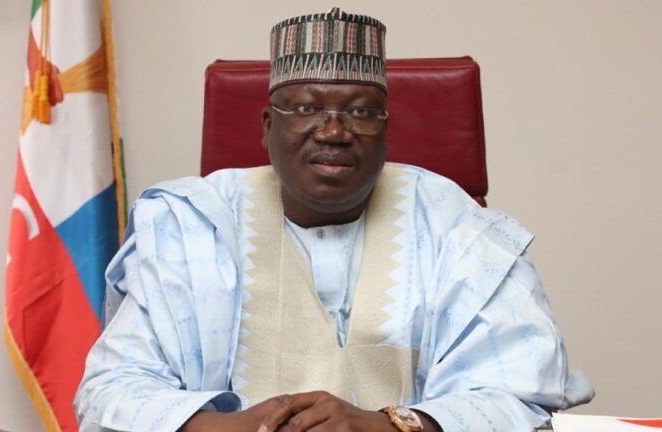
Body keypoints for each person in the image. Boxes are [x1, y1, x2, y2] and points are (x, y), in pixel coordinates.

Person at [74, 7, 594, 432]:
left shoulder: (456, 224)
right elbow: (112, 389)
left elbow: (522, 394)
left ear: (386, 129)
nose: (333, 131)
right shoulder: (191, 224)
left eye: (361, 112)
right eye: (305, 109)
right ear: (266, 126)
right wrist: (228, 427)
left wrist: (388, 426)